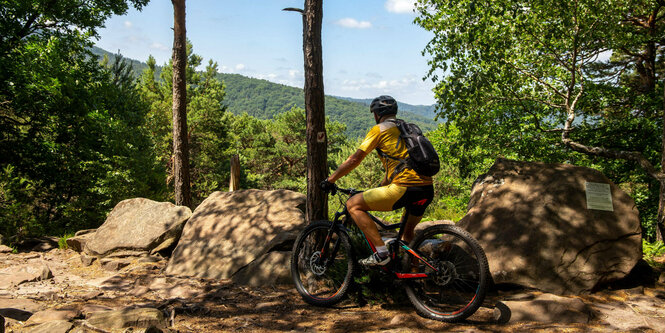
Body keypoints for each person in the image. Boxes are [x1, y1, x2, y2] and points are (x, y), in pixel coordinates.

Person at [321, 95, 434, 267]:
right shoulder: (406, 128)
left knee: (353, 205)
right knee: (408, 233)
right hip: (426, 189)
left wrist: (331, 179)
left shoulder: (379, 130)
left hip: (404, 188)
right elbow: (397, 168)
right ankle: (415, 277)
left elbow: (354, 160)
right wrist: (378, 189)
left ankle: (381, 254)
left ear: (376, 114)